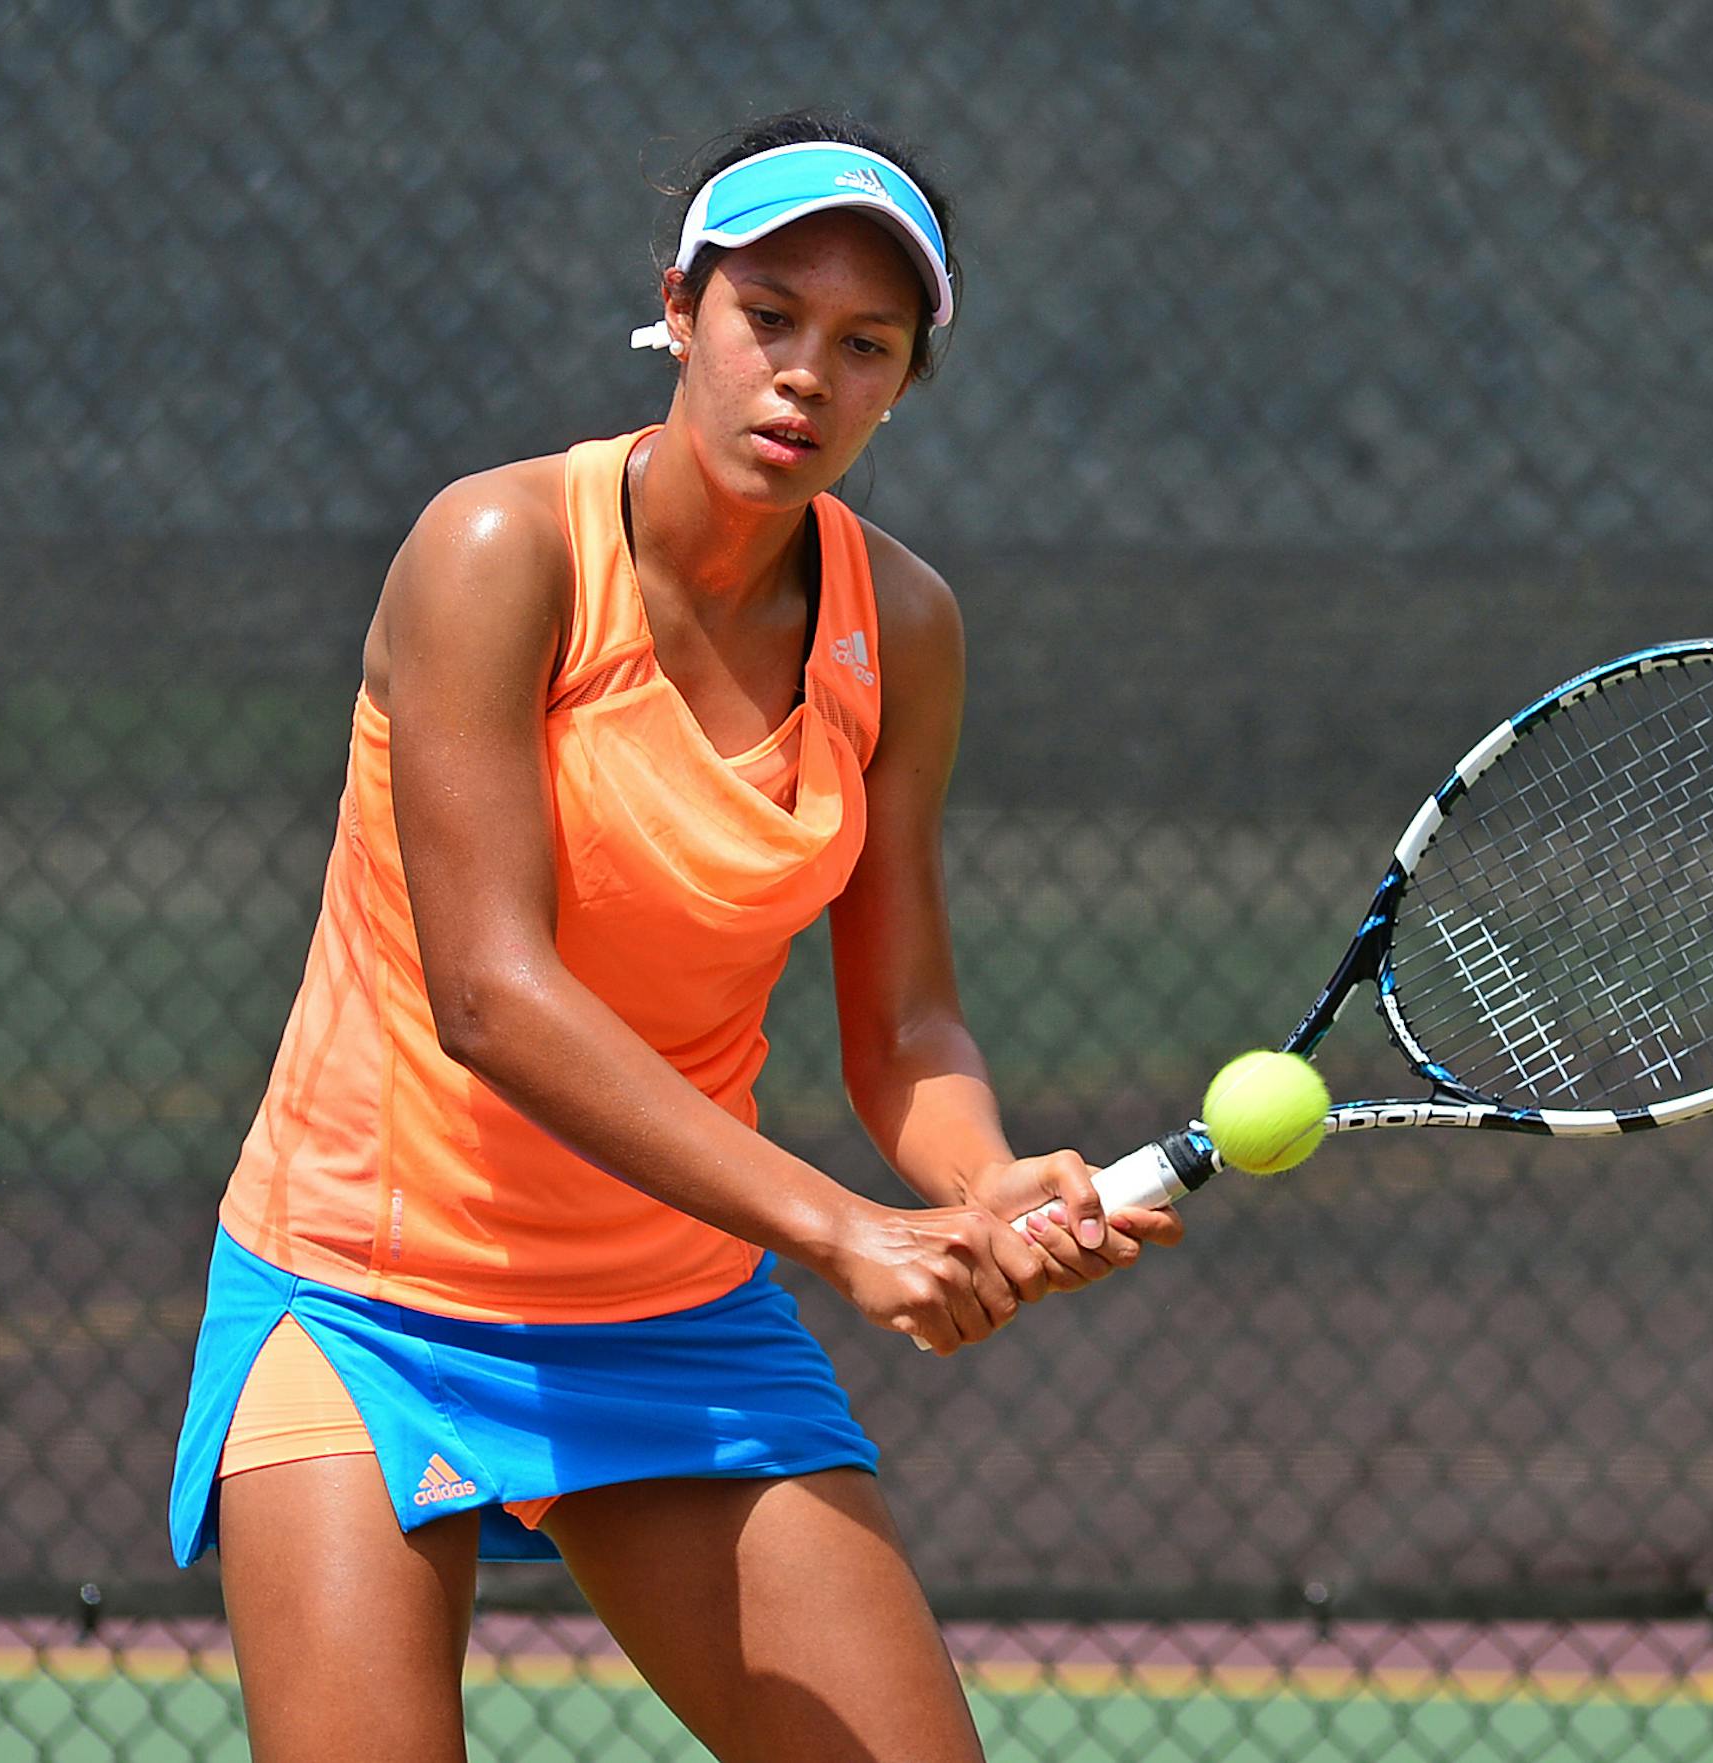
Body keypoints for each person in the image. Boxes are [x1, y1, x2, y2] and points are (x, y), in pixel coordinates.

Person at [168, 109, 1183, 1763]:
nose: (804, 377)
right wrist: (845, 1232)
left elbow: (905, 1017)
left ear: (906, 382)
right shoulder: (497, 553)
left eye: (865, 345)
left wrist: (978, 1178)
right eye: (766, 318)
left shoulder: (901, 627)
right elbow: (490, 996)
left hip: (672, 1316)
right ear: (680, 309)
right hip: (363, 1296)